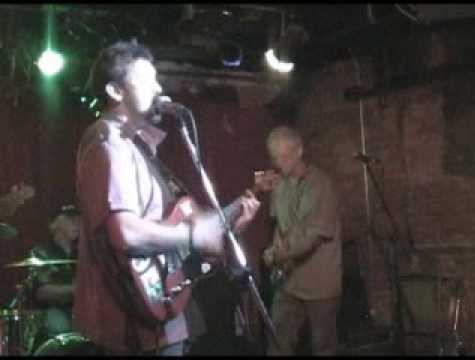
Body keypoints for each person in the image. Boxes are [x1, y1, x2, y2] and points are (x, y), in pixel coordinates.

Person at [73, 39, 260, 356]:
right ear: (116, 92)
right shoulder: (110, 139)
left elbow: (181, 240)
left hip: (163, 319)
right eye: (145, 80)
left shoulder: (138, 146)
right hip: (132, 323)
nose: (158, 87)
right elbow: (125, 233)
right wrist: (192, 234)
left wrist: (226, 227)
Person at [259, 125, 342, 355]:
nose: (279, 162)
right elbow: (280, 228)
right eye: (275, 157)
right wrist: (274, 251)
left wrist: (276, 255)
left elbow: (310, 239)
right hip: (289, 282)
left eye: (284, 156)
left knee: (323, 348)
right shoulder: (280, 186)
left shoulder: (320, 185)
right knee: (278, 343)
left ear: (299, 151)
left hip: (320, 284)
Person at [24, 205, 80, 354]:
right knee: (58, 322)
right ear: (53, 225)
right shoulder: (42, 252)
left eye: (78, 219)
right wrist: (76, 290)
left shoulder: (83, 254)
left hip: (80, 310)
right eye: (70, 219)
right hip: (53, 311)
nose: (77, 222)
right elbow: (41, 292)